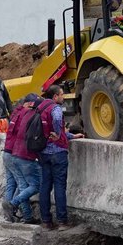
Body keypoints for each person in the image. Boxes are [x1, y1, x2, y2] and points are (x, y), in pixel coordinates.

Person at [37, 84, 83, 229]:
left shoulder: (40, 107)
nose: (63, 97)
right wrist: (58, 134)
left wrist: (70, 135)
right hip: (57, 152)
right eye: (62, 94)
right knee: (59, 186)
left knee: (45, 186)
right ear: (55, 96)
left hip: (43, 152)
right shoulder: (55, 108)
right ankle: (62, 221)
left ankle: (46, 221)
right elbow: (57, 120)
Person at [1, 94, 42, 224]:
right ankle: (25, 214)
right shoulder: (27, 114)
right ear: (29, 104)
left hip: (7, 153)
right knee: (23, 185)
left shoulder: (16, 112)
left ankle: (9, 215)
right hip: (16, 154)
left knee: (11, 184)